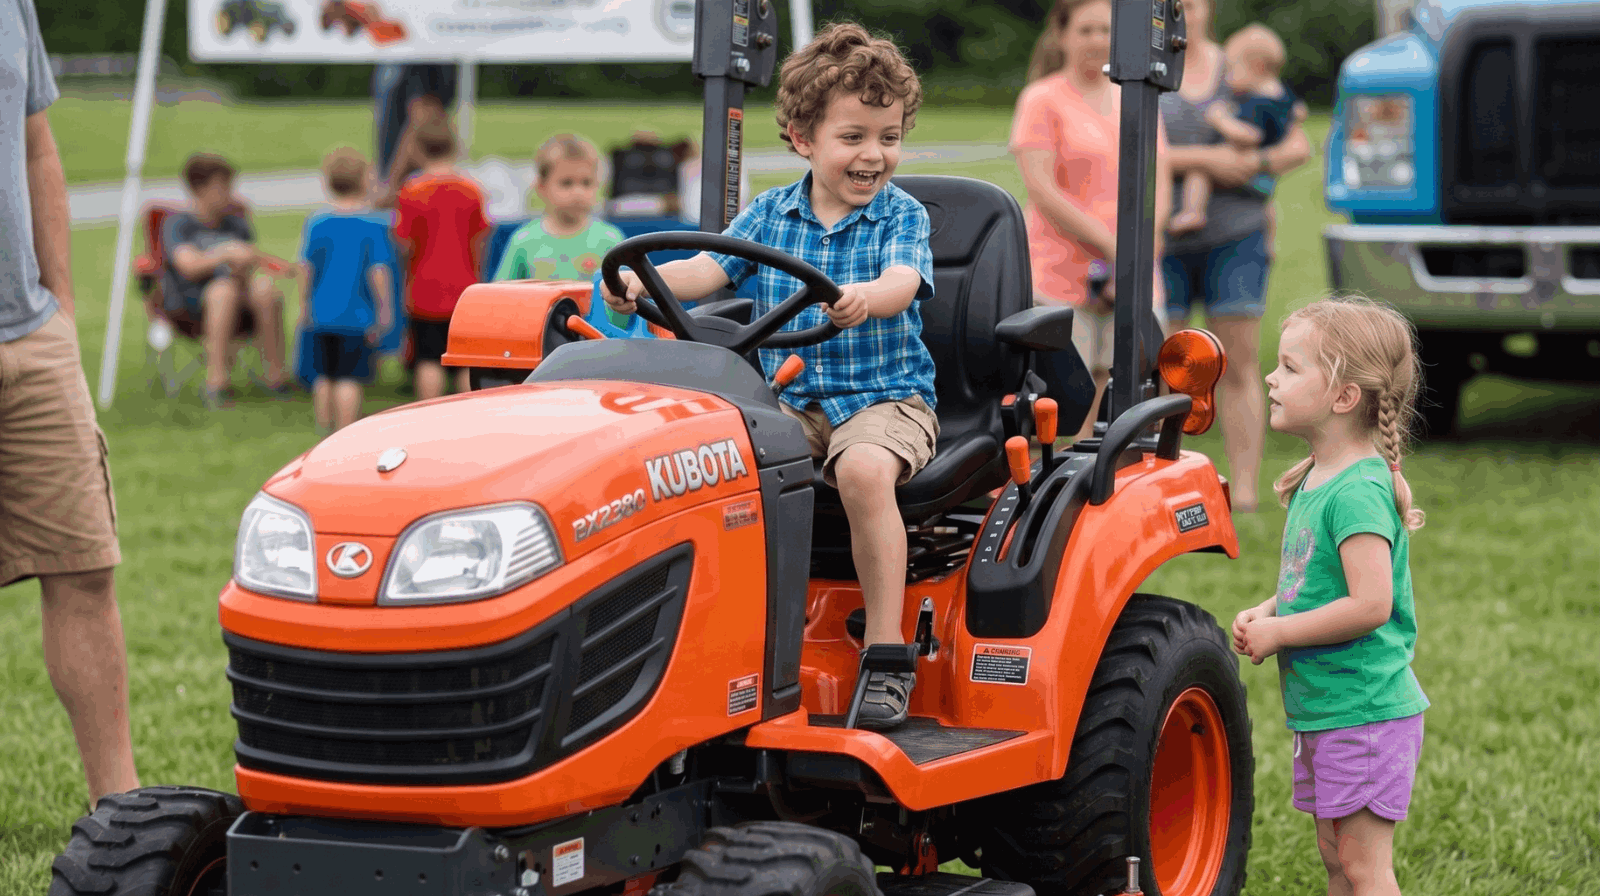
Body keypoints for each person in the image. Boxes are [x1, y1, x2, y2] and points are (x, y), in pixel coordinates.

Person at [602, 22, 936, 730]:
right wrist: (643, 284)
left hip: (887, 398)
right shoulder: (768, 212)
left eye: (889, 136)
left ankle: (885, 651)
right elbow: (706, 271)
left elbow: (904, 281)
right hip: (791, 397)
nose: (874, 155)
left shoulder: (898, 215)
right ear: (802, 138)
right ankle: (724, 637)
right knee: (715, 463)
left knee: (865, 473)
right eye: (854, 137)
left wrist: (865, 298)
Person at [1233, 296, 1430, 896]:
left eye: (1290, 368)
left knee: (1365, 867)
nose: (1270, 376)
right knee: (1337, 859)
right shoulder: (1319, 476)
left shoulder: (1357, 492)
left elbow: (1370, 605)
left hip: (1365, 713)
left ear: (1345, 397)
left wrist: (1279, 633)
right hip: (1328, 710)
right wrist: (1270, 609)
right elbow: (1317, 585)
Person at [0, 0, 140, 807]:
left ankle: (118, 812)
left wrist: (62, 304)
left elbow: (36, 146)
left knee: (86, 570)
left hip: (31, 337)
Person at [1159, 0, 1312, 512]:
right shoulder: (1148, 71)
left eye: (1192, 3)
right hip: (1163, 239)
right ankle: (1164, 487)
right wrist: (1209, 161)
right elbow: (1126, 150)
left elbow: (1297, 146)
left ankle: (1243, 492)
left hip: (1238, 235)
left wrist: (1253, 163)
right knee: (1168, 365)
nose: (1184, 11)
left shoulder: (1244, 63)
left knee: (1240, 364)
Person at [1011, 0, 1172, 441]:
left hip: (1135, 273)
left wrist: (1137, 259)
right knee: (1068, 403)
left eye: (1106, 30)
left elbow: (1159, 183)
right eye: (1085, 30)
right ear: (1061, 35)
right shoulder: (1041, 99)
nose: (1097, 40)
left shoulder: (1137, 97)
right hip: (1062, 274)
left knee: (1135, 401)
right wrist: (1114, 248)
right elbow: (1044, 191)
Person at [163, 153, 293, 407]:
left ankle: (276, 378)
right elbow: (187, 266)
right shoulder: (179, 224)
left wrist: (245, 262)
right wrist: (224, 253)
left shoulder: (236, 223)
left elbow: (248, 269)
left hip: (238, 292)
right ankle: (216, 382)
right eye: (221, 187)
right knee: (223, 291)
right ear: (199, 189)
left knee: (266, 289)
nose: (229, 194)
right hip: (191, 302)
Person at [1169, 23, 1299, 236]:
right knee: (1266, 206)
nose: (1227, 78)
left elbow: (1249, 136)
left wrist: (1220, 120)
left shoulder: (1257, 103)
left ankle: (1193, 211)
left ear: (1256, 67)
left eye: (1231, 69)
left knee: (1199, 169)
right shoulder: (1281, 95)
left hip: (1240, 164)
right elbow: (1297, 112)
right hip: (1261, 183)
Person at [298, 148, 395, 433]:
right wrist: (385, 308)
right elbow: (377, 271)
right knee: (349, 377)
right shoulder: (373, 224)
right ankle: (345, 429)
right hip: (357, 316)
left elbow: (306, 268)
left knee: (324, 375)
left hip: (321, 314)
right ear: (365, 180)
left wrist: (305, 305)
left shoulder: (317, 222)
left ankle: (323, 427)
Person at [394, 118, 489, 400]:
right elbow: (480, 241)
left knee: (428, 358)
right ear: (454, 146)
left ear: (417, 150)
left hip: (424, 289)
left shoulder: (412, 191)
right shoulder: (472, 190)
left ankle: (429, 412)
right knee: (464, 358)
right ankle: (467, 413)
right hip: (464, 288)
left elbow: (404, 244)